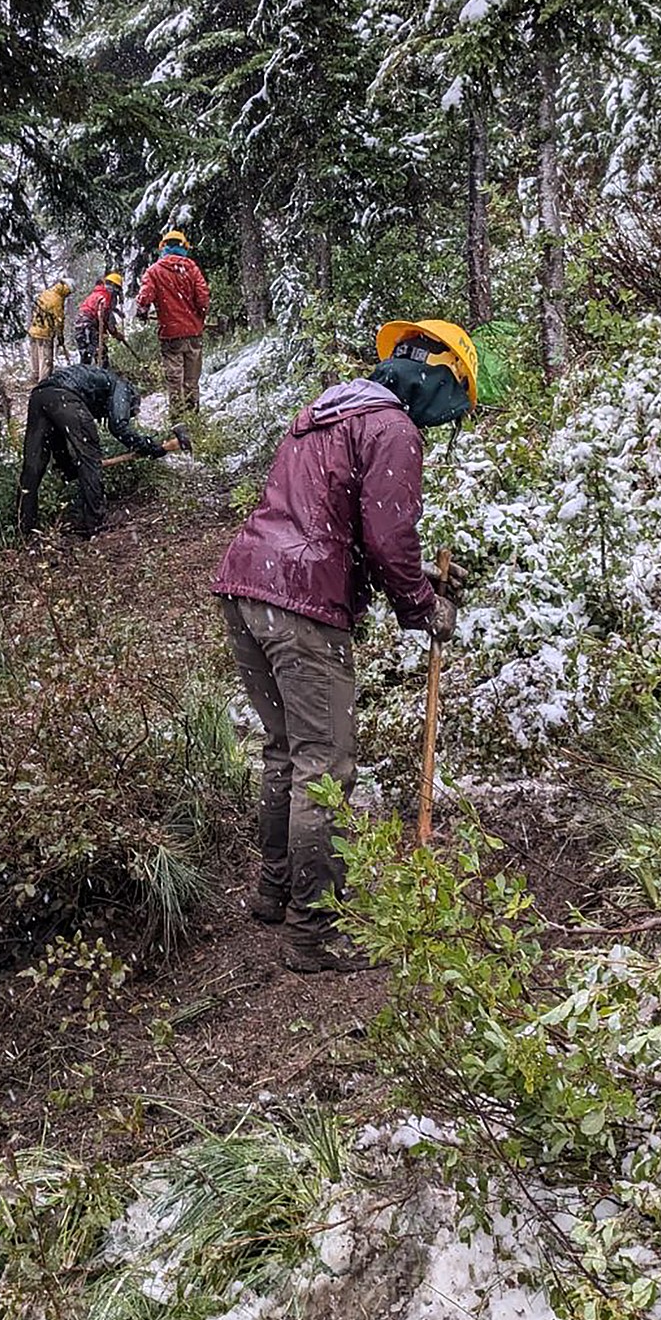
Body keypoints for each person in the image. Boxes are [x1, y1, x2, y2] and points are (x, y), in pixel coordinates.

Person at [212, 320, 476, 976]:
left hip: (248, 583)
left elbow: (337, 521)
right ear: (440, 381)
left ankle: (275, 894)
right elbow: (386, 538)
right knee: (322, 770)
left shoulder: (327, 409)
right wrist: (425, 608)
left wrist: (418, 582)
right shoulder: (393, 429)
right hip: (301, 606)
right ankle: (315, 932)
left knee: (284, 752)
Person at [17, 364, 186, 539]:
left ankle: (25, 529)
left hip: (39, 395)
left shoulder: (98, 383)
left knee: (32, 467)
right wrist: (152, 448)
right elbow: (119, 426)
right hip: (64, 396)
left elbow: (62, 438)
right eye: (132, 412)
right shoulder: (123, 388)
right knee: (89, 459)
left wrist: (67, 467)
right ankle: (96, 523)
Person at [135, 229, 210, 421]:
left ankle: (178, 422)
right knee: (191, 380)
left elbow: (144, 298)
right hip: (193, 333)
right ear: (183, 246)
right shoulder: (191, 268)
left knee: (175, 380)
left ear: (164, 248)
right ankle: (193, 419)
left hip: (171, 335)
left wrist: (142, 311)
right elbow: (203, 298)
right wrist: (198, 317)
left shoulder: (154, 271)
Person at [27, 278, 73, 383]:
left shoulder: (46, 293)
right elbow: (59, 321)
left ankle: (34, 379)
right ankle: (43, 383)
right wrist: (60, 337)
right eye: (69, 292)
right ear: (66, 288)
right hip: (45, 333)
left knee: (35, 358)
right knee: (46, 361)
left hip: (34, 329)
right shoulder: (57, 300)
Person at [76, 271, 124, 367]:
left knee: (86, 356)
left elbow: (102, 318)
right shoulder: (105, 297)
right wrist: (115, 333)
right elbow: (106, 319)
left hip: (81, 326)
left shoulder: (97, 294)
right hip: (88, 326)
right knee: (101, 354)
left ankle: (84, 378)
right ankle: (103, 378)